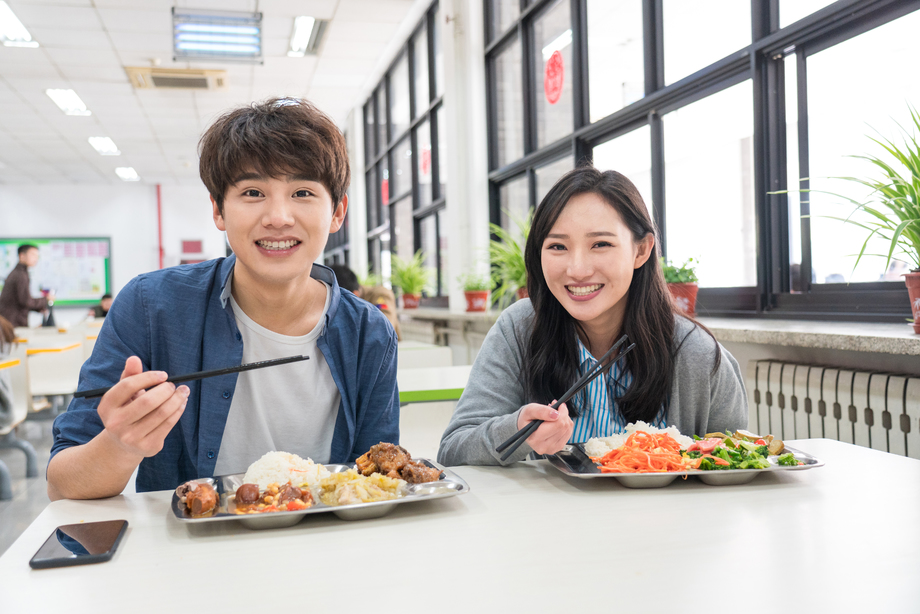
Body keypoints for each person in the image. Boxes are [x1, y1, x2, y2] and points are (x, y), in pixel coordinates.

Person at [48, 98, 400, 500]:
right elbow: (62, 485)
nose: (279, 216)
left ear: (338, 212)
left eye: (302, 192)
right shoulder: (150, 306)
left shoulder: (369, 334)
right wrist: (121, 445)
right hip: (187, 556)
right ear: (218, 210)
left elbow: (378, 482)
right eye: (253, 192)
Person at [438, 166, 747, 466]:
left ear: (641, 250)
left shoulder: (698, 354)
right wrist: (518, 430)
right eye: (558, 246)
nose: (578, 270)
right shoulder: (519, 328)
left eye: (601, 244)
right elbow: (453, 451)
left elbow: (737, 464)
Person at [0, 244, 51, 328]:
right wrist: (46, 299)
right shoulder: (20, 275)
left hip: (11, 321)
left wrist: (39, 308)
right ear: (22, 256)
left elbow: (22, 301)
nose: (36, 258)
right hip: (12, 323)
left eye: (37, 256)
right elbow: (25, 301)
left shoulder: (19, 272)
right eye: (33, 255)